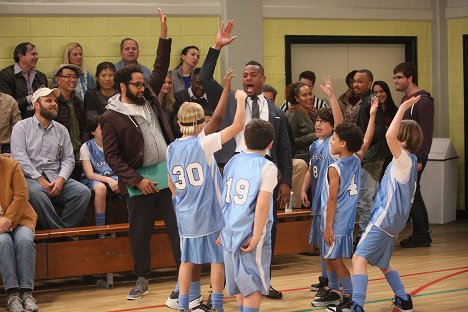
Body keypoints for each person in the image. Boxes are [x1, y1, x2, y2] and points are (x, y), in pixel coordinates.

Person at [199, 20, 292, 299]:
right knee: (232, 225)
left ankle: (264, 280)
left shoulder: (275, 110)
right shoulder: (230, 100)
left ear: (262, 79)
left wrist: (286, 181)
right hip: (235, 167)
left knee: (266, 226)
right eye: (245, 74)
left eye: (253, 74)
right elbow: (204, 79)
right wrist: (217, 46)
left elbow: (285, 148)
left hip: (265, 171)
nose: (248, 78)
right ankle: (228, 284)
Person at [101, 9, 182, 302]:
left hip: (167, 174)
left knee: (177, 229)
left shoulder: (147, 96)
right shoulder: (111, 116)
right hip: (140, 180)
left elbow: (160, 69)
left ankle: (182, 278)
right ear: (123, 87)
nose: (143, 86)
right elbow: (112, 156)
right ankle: (142, 278)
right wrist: (137, 180)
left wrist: (163, 36)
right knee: (140, 233)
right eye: (137, 84)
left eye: (142, 83)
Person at [330, 96, 423, 312]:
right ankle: (403, 299)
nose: (392, 131)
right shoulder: (411, 163)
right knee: (383, 263)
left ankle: (357, 305)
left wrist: (403, 108)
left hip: (385, 219)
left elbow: (389, 135)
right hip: (394, 222)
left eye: (396, 130)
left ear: (402, 139)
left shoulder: (403, 161)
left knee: (358, 258)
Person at [167, 74, 246, 312]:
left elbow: (171, 185)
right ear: (201, 123)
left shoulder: (171, 148)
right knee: (217, 259)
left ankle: (183, 305)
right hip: (209, 212)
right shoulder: (204, 143)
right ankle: (218, 305)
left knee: (186, 261)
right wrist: (240, 100)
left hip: (185, 213)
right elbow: (238, 126)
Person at [312, 101, 377, 310]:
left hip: (336, 220)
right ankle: (338, 293)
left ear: (344, 144)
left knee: (335, 261)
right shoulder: (357, 159)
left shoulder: (335, 167)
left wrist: (328, 225)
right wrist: (373, 116)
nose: (331, 141)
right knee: (331, 259)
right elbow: (365, 140)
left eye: (335, 139)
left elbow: (332, 199)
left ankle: (348, 296)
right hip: (347, 221)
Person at [10, 87, 90, 229]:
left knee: (83, 192)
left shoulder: (62, 130)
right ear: (36, 105)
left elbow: (69, 159)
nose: (54, 103)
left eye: (55, 101)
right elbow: (20, 158)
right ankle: (61, 235)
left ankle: (60, 234)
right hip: (30, 178)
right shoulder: (21, 127)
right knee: (36, 193)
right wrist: (40, 180)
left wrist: (61, 179)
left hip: (55, 177)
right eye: (48, 100)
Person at [221, 118, 278, 312]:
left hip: (229, 230)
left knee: (240, 284)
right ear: (271, 143)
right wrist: (256, 235)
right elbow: (262, 205)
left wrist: (222, 228)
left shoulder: (232, 161)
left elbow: (224, 199)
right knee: (253, 287)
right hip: (250, 232)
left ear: (244, 140)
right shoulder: (268, 167)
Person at [300, 77, 343, 296]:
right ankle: (326, 279)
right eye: (316, 120)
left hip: (329, 202)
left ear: (332, 128)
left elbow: (340, 122)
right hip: (316, 199)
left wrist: (331, 97)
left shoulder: (333, 144)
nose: (318, 124)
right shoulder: (314, 145)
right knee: (320, 245)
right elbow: (309, 169)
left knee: (329, 245)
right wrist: (302, 189)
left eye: (323, 122)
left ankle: (335, 285)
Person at [393, 62, 434, 248]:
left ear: (410, 78)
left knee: (413, 194)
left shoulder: (423, 101)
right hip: (404, 156)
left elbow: (425, 132)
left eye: (399, 77)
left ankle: (422, 235)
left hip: (415, 157)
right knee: (411, 193)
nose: (396, 81)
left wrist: (421, 158)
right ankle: (420, 233)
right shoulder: (405, 100)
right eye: (394, 77)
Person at [0, 155, 39, 312]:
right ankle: (13, 294)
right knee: (3, 242)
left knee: (25, 240)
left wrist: (7, 219)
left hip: (21, 217)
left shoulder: (11, 164)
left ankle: (27, 293)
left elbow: (22, 195)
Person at [263, 84, 306, 210]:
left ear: (274, 101)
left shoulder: (279, 116)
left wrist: (281, 166)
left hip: (278, 161)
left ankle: (291, 208)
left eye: (269, 100)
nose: (266, 103)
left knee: (301, 164)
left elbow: (289, 146)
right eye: (263, 99)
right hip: (258, 162)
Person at [354, 69, 386, 239]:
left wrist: (362, 146)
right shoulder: (364, 101)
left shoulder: (371, 102)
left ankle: (364, 237)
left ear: (369, 83)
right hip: (368, 155)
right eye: (354, 81)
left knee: (366, 199)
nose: (355, 85)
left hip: (371, 157)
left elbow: (377, 131)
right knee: (365, 199)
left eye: (360, 81)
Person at [80, 115, 119, 230]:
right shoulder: (86, 147)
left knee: (127, 184)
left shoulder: (115, 144)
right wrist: (108, 179)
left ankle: (130, 225)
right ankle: (100, 229)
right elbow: (90, 174)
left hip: (114, 176)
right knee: (101, 188)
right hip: (94, 179)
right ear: (93, 132)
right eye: (102, 128)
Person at [0, 42, 48, 119]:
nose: (37, 57)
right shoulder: (6, 75)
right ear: (21, 56)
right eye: (33, 54)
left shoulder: (41, 76)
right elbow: (7, 105)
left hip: (40, 118)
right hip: (17, 119)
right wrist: (33, 97)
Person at [53, 63, 88, 160]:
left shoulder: (76, 100)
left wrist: (84, 148)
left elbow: (83, 126)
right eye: (68, 76)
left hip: (78, 151)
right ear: (58, 79)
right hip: (58, 153)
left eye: (75, 77)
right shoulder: (52, 100)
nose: (73, 80)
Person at [173, 67, 220, 137]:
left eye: (204, 84)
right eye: (198, 83)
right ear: (191, 81)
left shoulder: (213, 99)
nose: (201, 87)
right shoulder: (179, 97)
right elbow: (176, 126)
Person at [372, 80, 398, 179]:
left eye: (381, 91)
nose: (379, 94)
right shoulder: (370, 111)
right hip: (375, 155)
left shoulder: (395, 111)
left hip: (390, 153)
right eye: (375, 92)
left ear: (387, 92)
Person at [286, 82, 317, 160]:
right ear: (297, 98)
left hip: (314, 154)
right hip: (301, 158)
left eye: (310, 94)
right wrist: (314, 136)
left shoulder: (313, 112)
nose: (309, 97)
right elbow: (290, 141)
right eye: (304, 95)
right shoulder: (293, 114)